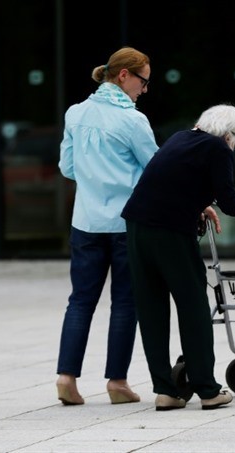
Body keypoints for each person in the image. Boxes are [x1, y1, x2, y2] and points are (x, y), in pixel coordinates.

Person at [121, 104, 235, 411]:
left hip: (137, 227)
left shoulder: (180, 138)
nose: (234, 149)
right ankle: (208, 390)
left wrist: (198, 205)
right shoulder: (217, 147)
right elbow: (231, 201)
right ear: (229, 135)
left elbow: (171, 181)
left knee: (152, 307)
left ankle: (165, 391)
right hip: (170, 232)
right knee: (194, 305)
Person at [56, 46, 158, 405]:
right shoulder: (133, 121)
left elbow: (67, 168)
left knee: (80, 301)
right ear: (124, 76)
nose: (145, 90)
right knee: (125, 303)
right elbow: (156, 170)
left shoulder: (76, 113)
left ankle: (66, 376)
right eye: (143, 81)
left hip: (85, 220)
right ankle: (117, 382)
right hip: (123, 223)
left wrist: (94, 173)